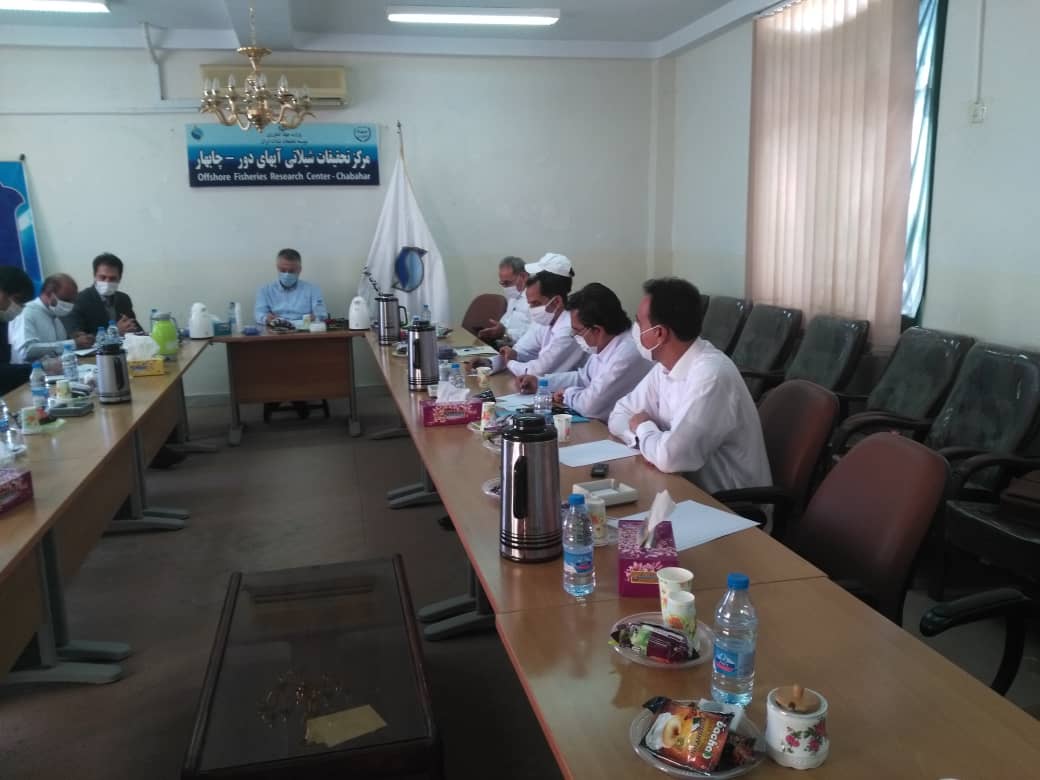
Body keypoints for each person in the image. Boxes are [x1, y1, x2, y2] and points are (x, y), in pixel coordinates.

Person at [608, 277, 771, 493]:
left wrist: (644, 427)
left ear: (659, 333)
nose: (635, 329)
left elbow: (670, 458)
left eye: (639, 323)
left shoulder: (711, 375)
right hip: (681, 488)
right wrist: (646, 441)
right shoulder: (664, 367)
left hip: (729, 503)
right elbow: (618, 414)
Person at [516, 282, 650, 421]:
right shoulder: (605, 343)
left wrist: (567, 394)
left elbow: (590, 406)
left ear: (597, 330)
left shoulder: (627, 353)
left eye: (577, 331)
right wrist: (541, 383)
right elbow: (583, 378)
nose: (575, 336)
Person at [484, 253, 584, 378]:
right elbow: (520, 350)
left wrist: (510, 362)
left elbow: (539, 371)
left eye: (536, 304)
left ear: (557, 301)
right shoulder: (545, 319)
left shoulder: (569, 329)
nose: (532, 309)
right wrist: (490, 363)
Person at [10, 273, 89, 364]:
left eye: (73, 300)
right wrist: (72, 343)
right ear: (48, 294)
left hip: (57, 368)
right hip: (30, 371)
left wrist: (72, 338)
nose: (70, 304)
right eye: (66, 300)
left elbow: (54, 345)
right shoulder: (26, 312)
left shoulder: (54, 314)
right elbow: (26, 350)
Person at [66, 252, 140, 341]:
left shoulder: (124, 299)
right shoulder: (80, 300)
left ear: (120, 278)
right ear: (94, 276)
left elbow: (136, 329)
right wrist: (113, 333)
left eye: (112, 278)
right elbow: (76, 337)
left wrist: (133, 329)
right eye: (102, 277)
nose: (107, 282)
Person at [254, 248, 327, 325]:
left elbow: (321, 314)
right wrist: (266, 319)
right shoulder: (265, 291)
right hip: (276, 329)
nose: (287, 274)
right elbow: (259, 314)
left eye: (291, 271)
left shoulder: (313, 290)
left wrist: (315, 317)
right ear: (277, 268)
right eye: (283, 270)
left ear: (299, 270)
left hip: (304, 329)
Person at [477, 256, 530, 345]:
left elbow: (535, 335)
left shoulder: (536, 300)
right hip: (504, 344)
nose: (505, 287)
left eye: (507, 282)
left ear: (524, 276)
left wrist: (505, 333)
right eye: (502, 283)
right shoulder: (513, 296)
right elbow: (505, 323)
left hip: (521, 349)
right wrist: (495, 331)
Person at [0, 265, 37, 394]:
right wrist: (37, 368)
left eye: (22, 304)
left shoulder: (2, 321)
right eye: (17, 299)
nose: (18, 307)